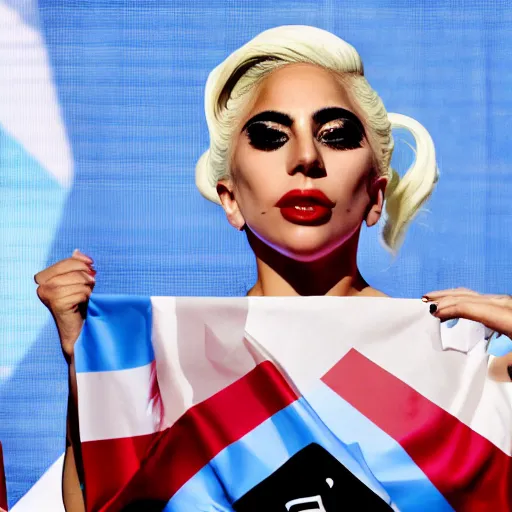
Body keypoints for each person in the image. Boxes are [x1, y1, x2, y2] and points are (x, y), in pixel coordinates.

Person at [34, 26, 511, 511]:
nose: (305, 157)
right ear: (230, 198)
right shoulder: (174, 362)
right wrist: (87, 366)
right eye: (270, 135)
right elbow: (110, 503)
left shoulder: (467, 361)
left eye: (337, 135)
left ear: (375, 195)